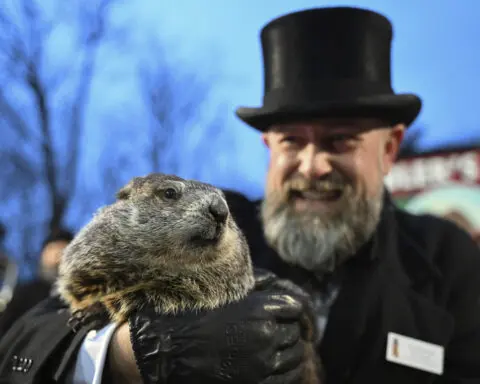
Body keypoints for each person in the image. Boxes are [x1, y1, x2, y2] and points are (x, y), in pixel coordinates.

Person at [1, 6, 480, 384]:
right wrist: (132, 354)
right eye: (292, 140)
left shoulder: (448, 258)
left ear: (390, 148)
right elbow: (28, 339)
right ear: (268, 146)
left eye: (340, 141)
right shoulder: (212, 226)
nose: (312, 165)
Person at [0, 228, 73, 335]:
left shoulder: (77, 296)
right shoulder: (25, 293)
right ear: (43, 254)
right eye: (53, 248)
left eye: (63, 250)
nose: (58, 255)